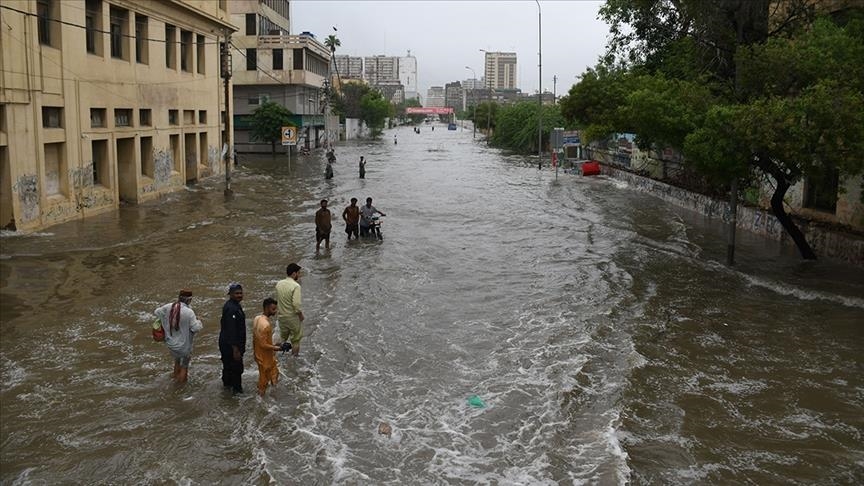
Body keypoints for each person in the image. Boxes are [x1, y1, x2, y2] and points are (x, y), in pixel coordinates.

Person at [154, 289, 203, 384]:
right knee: (184, 366)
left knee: (177, 361)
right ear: (189, 300)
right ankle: (180, 388)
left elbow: (156, 312)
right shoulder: (189, 312)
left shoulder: (168, 307)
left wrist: (166, 321)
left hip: (171, 344)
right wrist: (199, 321)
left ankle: (175, 378)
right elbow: (195, 328)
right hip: (184, 347)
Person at [252, 298, 284, 397]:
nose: (275, 311)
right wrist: (277, 348)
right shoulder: (266, 325)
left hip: (259, 354)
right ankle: (261, 401)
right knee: (263, 381)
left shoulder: (257, 318)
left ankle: (273, 395)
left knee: (275, 373)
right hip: (265, 357)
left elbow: (257, 339)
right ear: (266, 308)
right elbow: (263, 344)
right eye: (273, 309)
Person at [219, 282, 246, 395]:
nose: (239, 295)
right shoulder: (231, 309)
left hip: (228, 343)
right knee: (236, 368)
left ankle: (227, 390)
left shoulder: (235, 305)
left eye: (240, 293)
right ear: (230, 294)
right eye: (236, 293)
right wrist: (236, 349)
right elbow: (231, 330)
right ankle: (237, 393)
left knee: (228, 367)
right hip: (230, 346)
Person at [275, 263, 304, 357]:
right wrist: (300, 315)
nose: (299, 275)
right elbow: (296, 304)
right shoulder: (296, 286)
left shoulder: (279, 284)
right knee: (296, 340)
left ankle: (273, 355)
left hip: (281, 317)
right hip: (292, 317)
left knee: (282, 338)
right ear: (294, 273)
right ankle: (294, 360)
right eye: (298, 273)